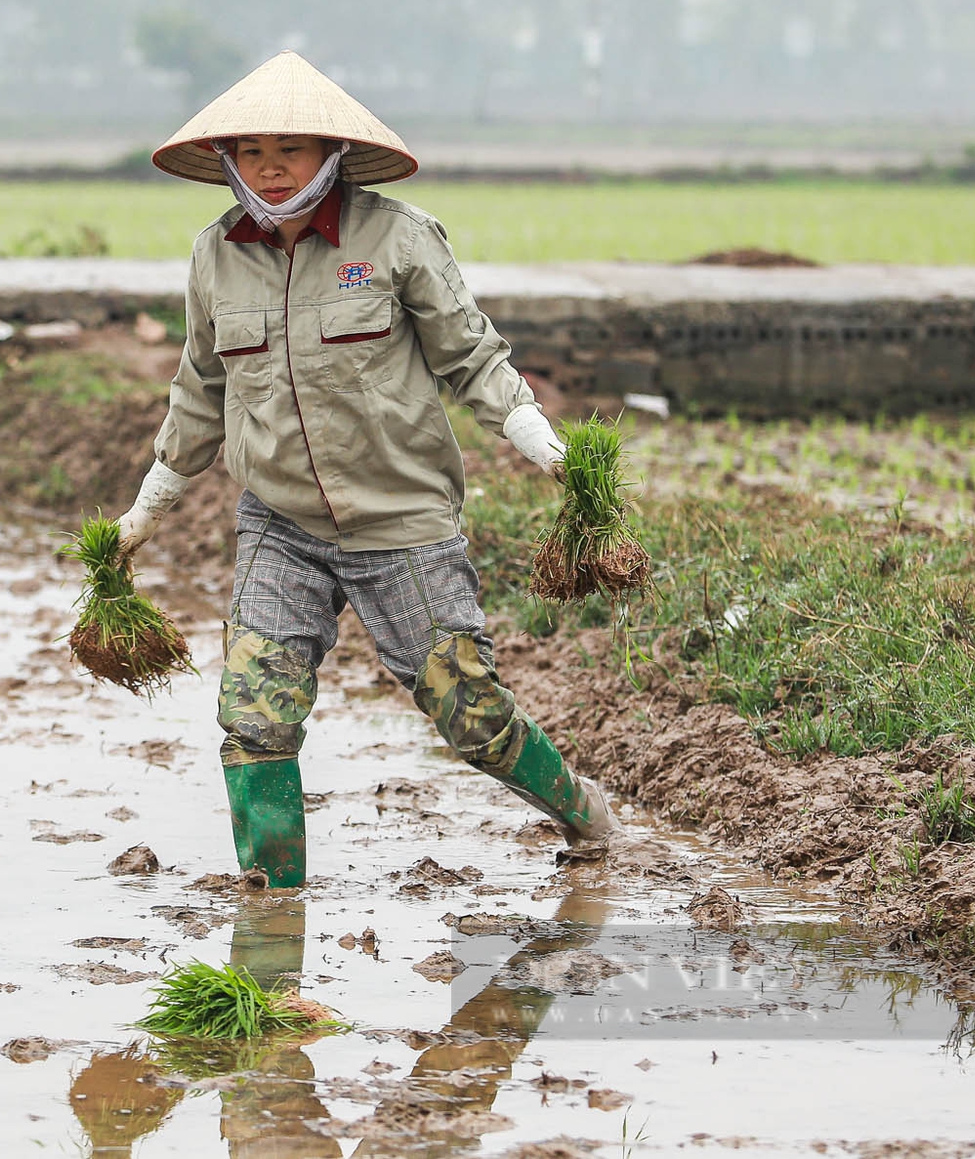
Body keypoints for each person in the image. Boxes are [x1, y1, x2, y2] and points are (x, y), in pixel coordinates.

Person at [114, 50, 616, 888]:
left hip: (402, 517)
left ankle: (584, 814)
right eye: (252, 153)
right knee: (254, 715)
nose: (271, 170)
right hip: (280, 520)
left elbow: (471, 357)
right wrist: (144, 511)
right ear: (228, 163)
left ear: (333, 156)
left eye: (293, 151)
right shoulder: (214, 257)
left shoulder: (396, 236)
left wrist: (543, 445)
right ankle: (271, 905)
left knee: (470, 712)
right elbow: (200, 386)